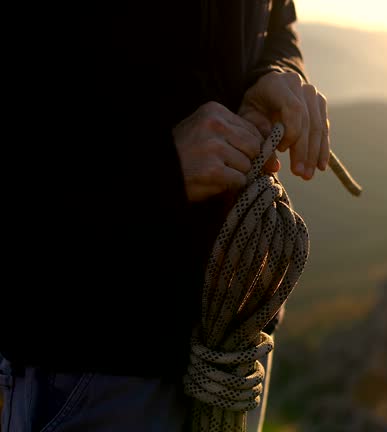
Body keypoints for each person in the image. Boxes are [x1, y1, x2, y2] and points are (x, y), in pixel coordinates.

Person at [0, 1, 327, 430]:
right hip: (96, 358)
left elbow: (276, 17)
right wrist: (154, 170)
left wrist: (275, 73)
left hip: (237, 339)